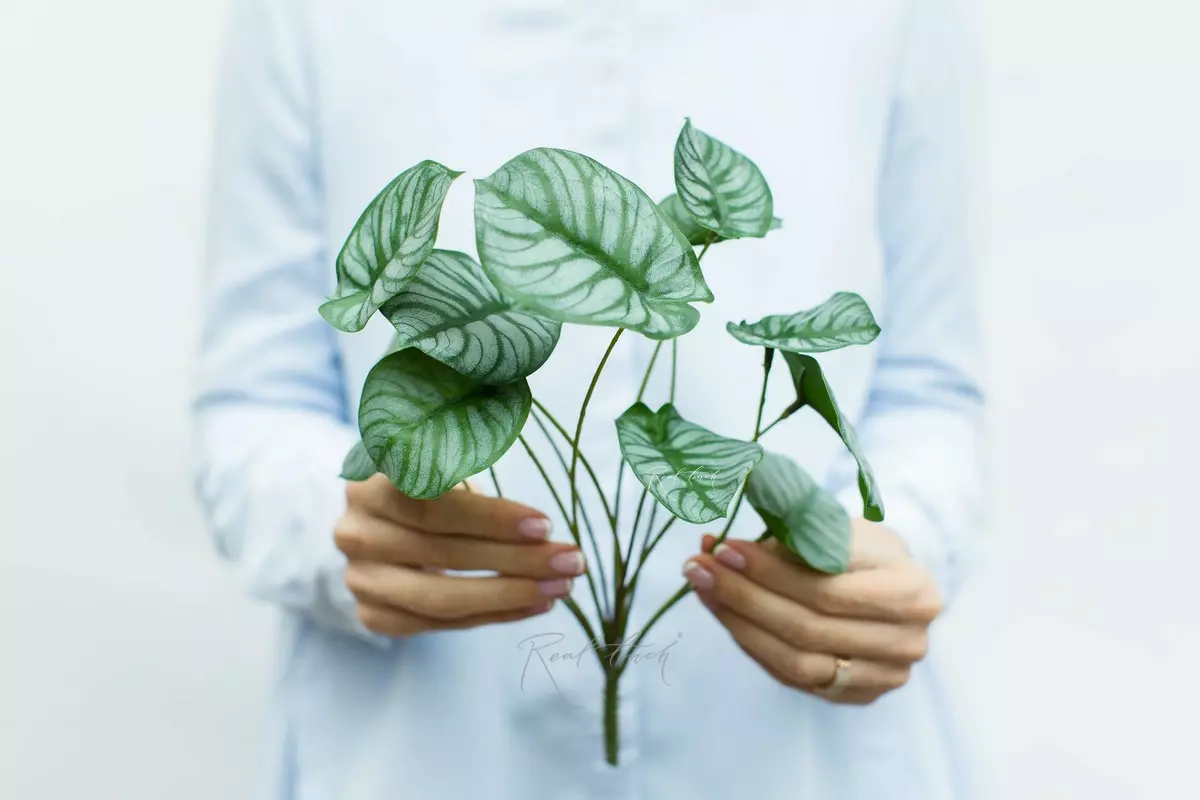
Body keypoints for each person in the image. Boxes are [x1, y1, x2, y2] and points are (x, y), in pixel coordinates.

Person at [194, 0, 984, 797]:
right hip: (430, 751)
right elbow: (253, 399)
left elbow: (930, 386)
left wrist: (891, 564)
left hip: (792, 754)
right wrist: (335, 534)